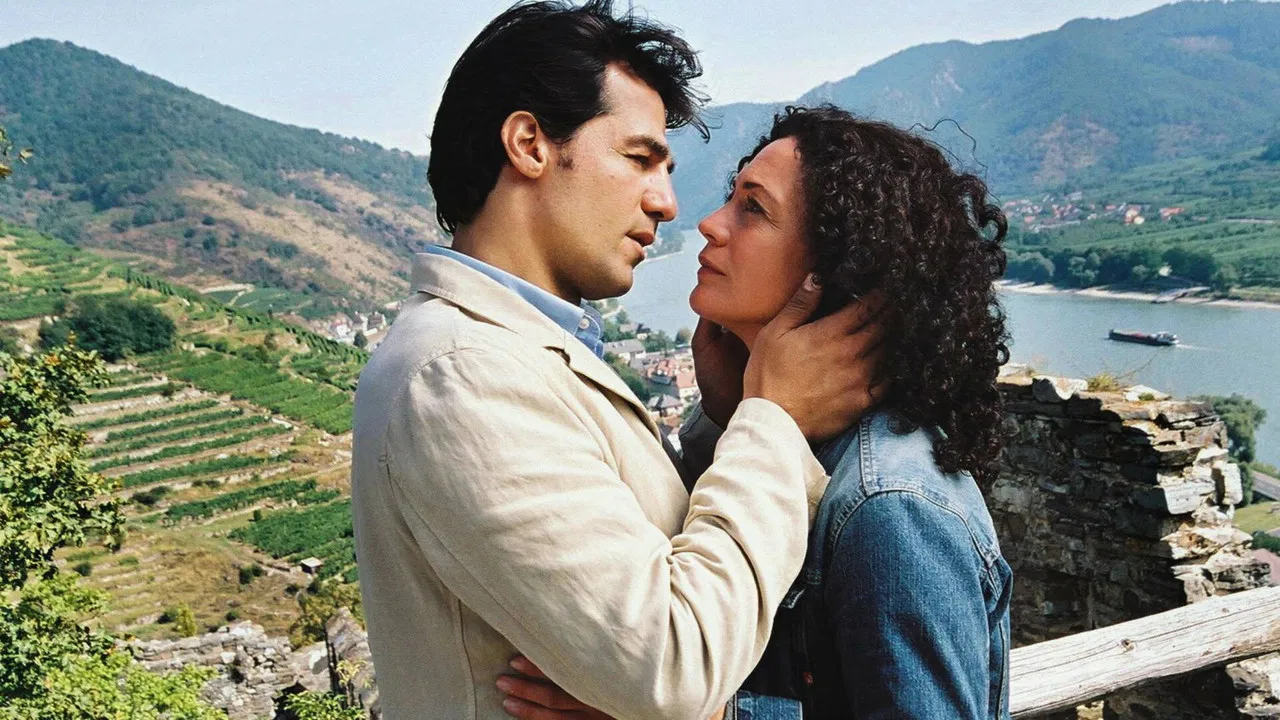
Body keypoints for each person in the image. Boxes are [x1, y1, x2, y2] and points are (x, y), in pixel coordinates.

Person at [349, 3, 886, 719]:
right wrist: (774, 422)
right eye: (639, 159)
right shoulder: (462, 375)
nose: (667, 203)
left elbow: (640, 549)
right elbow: (673, 664)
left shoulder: (515, 349)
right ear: (529, 145)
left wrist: (724, 422)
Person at [498, 106, 1014, 719]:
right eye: (731, 198)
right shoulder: (793, 440)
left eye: (754, 209)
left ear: (836, 269)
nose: (710, 225)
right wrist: (730, 419)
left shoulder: (890, 505)